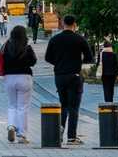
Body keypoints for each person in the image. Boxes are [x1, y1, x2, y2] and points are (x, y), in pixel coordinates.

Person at [44, 15, 94, 145]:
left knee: (64, 105)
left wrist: (59, 63)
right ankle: (71, 137)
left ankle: (59, 131)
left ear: (62, 23)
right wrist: (77, 61)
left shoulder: (55, 39)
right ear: (74, 24)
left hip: (59, 76)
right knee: (74, 107)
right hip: (74, 76)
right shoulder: (79, 39)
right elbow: (89, 58)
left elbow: (47, 57)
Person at [1, 24, 37, 144]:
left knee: (12, 105)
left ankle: (11, 125)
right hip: (24, 77)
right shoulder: (27, 47)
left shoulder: (6, 46)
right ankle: (22, 135)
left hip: (9, 77)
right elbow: (33, 61)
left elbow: (1, 61)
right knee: (23, 107)